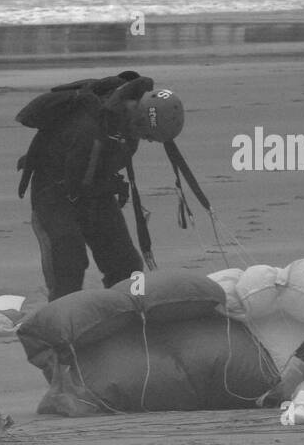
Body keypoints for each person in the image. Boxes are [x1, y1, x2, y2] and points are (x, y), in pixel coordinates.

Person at [19, 74, 184, 300]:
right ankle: (60, 314)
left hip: (93, 191)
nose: (147, 140)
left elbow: (95, 172)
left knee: (125, 264)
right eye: (148, 135)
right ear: (141, 120)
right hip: (53, 192)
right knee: (69, 259)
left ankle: (126, 315)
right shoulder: (91, 127)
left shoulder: (125, 123)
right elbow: (79, 179)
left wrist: (111, 183)